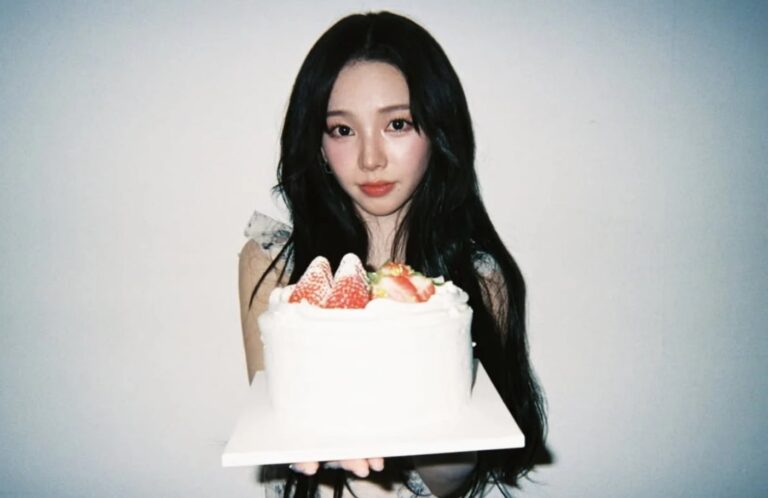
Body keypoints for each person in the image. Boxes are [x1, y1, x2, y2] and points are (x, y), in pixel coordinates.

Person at [238, 11, 547, 498]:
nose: (370, 159)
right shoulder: (272, 262)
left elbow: (451, 482)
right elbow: (279, 425)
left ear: (438, 132)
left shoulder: (480, 278)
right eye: (342, 130)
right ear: (317, 143)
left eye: (397, 124)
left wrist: (439, 442)